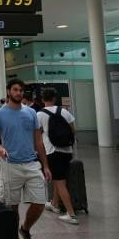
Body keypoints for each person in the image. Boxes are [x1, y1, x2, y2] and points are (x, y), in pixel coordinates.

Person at [0, 79, 51, 239]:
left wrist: (45, 165)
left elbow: (38, 141)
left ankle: (25, 229)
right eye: (15, 90)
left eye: (21, 90)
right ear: (9, 92)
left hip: (31, 163)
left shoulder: (31, 113)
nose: (19, 93)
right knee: (11, 206)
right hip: (10, 165)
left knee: (39, 202)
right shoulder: (0, 114)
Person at [36, 88, 78, 225]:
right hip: (67, 150)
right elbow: (73, 130)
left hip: (52, 151)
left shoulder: (40, 115)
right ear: (54, 98)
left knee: (60, 182)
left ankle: (71, 214)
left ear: (42, 99)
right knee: (58, 178)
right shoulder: (64, 111)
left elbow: (36, 135)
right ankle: (54, 204)